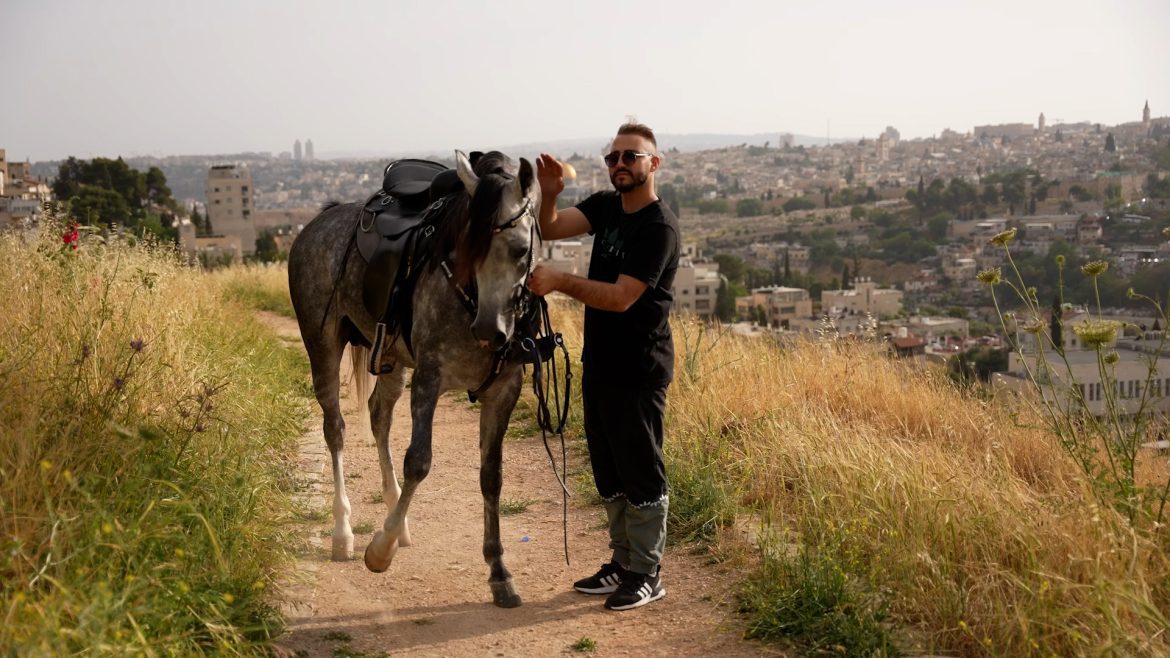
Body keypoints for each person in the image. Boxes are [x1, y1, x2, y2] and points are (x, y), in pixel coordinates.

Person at [528, 121, 680, 611]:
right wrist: (550, 193)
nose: (618, 164)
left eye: (630, 157)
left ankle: (647, 570)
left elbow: (620, 298)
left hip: (639, 368)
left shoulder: (658, 229)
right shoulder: (605, 206)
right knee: (609, 470)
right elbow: (550, 228)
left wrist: (558, 280)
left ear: (653, 164)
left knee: (640, 471)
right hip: (601, 364)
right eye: (612, 157)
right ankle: (622, 560)